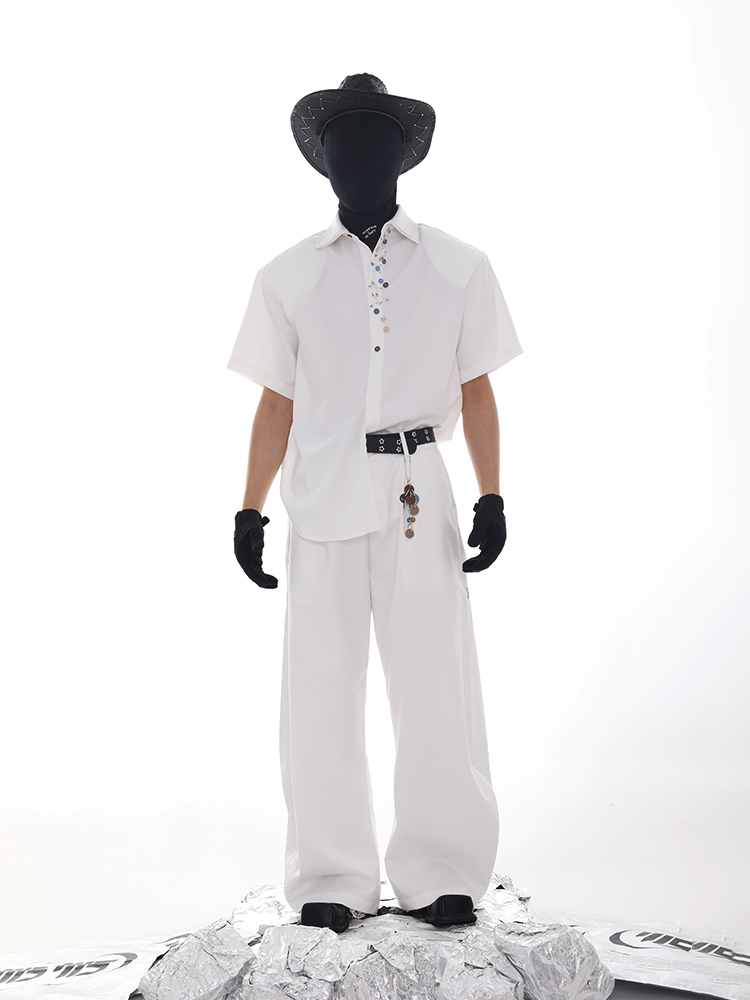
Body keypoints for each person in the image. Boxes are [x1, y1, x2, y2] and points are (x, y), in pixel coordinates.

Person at [227, 73, 523, 934]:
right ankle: (331, 877)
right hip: (322, 493)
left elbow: (477, 388)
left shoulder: (460, 266)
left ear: (401, 156)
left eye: (374, 142)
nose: (358, 158)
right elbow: (276, 401)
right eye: (343, 145)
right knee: (319, 690)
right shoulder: (286, 277)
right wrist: (248, 510)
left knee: (436, 682)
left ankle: (443, 872)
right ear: (324, 163)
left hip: (418, 492)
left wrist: (494, 496)